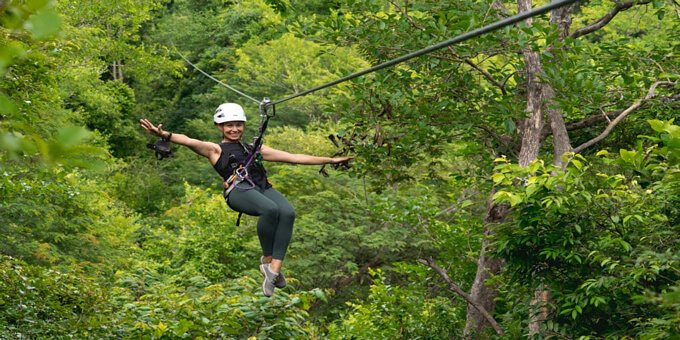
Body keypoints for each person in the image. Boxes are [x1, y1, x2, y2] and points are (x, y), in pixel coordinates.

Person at [139, 103, 351, 297]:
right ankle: (267, 260)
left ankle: (274, 269)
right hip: (238, 190)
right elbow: (189, 141)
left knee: (287, 212)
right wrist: (164, 135)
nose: (234, 129)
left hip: (261, 188)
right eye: (229, 125)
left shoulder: (254, 149)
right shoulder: (215, 150)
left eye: (238, 125)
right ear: (219, 127)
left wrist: (330, 160)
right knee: (270, 210)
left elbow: (293, 157)